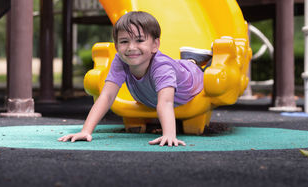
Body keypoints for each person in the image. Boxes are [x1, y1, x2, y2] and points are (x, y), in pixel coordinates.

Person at [58, 11, 212, 147]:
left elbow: (165, 102)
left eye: (139, 40)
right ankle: (190, 58)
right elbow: (106, 96)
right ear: (117, 46)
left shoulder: (162, 67)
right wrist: (86, 131)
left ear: (155, 45)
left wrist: (169, 135)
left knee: (199, 70)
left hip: (192, 78)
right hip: (159, 85)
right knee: (175, 68)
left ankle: (193, 60)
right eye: (124, 41)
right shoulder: (120, 60)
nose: (131, 47)